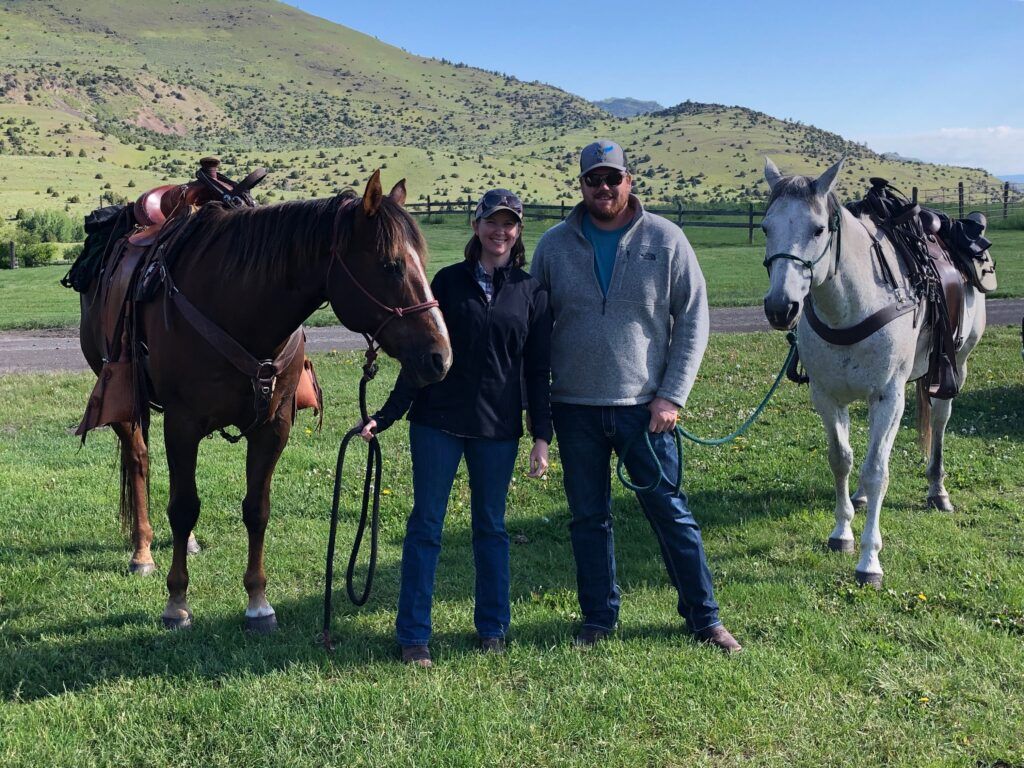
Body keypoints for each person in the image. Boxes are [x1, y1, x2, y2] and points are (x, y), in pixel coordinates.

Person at [530, 139, 741, 653]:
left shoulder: (666, 239)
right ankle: (598, 617)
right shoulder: (553, 246)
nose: (603, 188)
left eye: (612, 178)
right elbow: (534, 326)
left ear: (630, 180)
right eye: (592, 180)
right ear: (580, 185)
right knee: (587, 518)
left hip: (646, 411)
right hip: (574, 407)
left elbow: (693, 318)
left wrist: (672, 396)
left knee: (669, 512)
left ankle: (704, 617)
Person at [356, 188, 552, 668]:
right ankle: (414, 636)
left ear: (518, 231)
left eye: (509, 223)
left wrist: (541, 436)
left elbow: (537, 370)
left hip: (497, 429)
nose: (499, 231)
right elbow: (422, 357)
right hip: (437, 423)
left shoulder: (532, 293)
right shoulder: (446, 280)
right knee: (426, 526)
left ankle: (492, 628)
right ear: (476, 226)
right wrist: (387, 413)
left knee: (491, 528)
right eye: (491, 221)